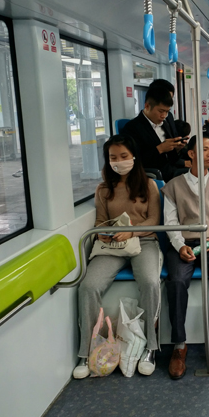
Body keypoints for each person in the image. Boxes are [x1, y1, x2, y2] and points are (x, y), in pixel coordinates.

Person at [73, 135, 162, 379]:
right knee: (88, 286)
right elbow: (101, 220)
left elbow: (154, 221)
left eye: (123, 156)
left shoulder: (149, 185)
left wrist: (132, 230)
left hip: (143, 241)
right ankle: (86, 352)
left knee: (150, 282)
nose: (119, 161)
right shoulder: (103, 189)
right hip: (112, 246)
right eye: (113, 158)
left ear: (133, 156)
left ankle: (150, 348)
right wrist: (102, 232)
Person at [161, 134, 209, 379]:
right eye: (205, 149)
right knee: (176, 280)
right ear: (191, 154)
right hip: (183, 243)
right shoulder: (174, 186)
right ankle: (179, 345)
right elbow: (170, 222)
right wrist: (178, 245)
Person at [120, 84, 186, 182]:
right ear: (147, 106)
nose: (164, 115)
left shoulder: (165, 124)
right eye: (161, 111)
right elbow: (134, 160)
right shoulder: (132, 128)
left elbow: (171, 158)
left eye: (167, 112)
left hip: (172, 169)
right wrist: (160, 149)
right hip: (155, 175)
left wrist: (176, 149)